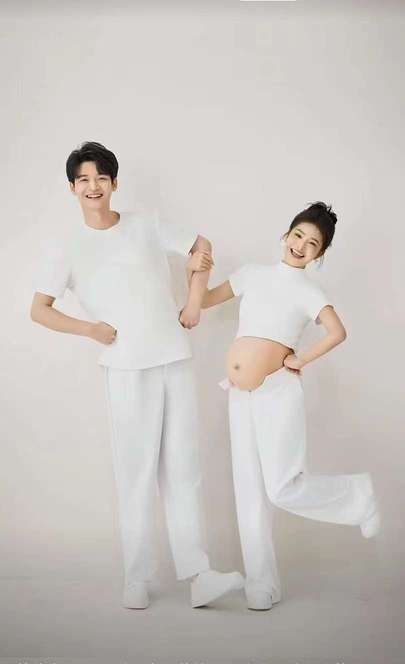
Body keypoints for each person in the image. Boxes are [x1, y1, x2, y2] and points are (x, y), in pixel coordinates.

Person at [30, 141, 243, 610]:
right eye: (84, 179)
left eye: (101, 178)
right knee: (136, 472)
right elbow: (39, 309)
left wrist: (193, 302)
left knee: (184, 469)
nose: (93, 186)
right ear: (72, 188)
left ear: (114, 183)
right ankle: (137, 577)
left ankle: (198, 574)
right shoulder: (66, 247)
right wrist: (90, 329)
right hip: (125, 365)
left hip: (173, 356)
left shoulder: (146, 224)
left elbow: (201, 245)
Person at [188, 201, 381, 611]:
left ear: (319, 254)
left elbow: (337, 332)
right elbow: (203, 301)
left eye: (313, 244)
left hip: (277, 390)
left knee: (281, 487)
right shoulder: (252, 274)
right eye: (298, 235)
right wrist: (197, 269)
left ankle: (356, 494)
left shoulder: (309, 291)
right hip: (238, 393)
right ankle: (262, 584)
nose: (301, 245)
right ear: (286, 234)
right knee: (248, 489)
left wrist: (301, 359)